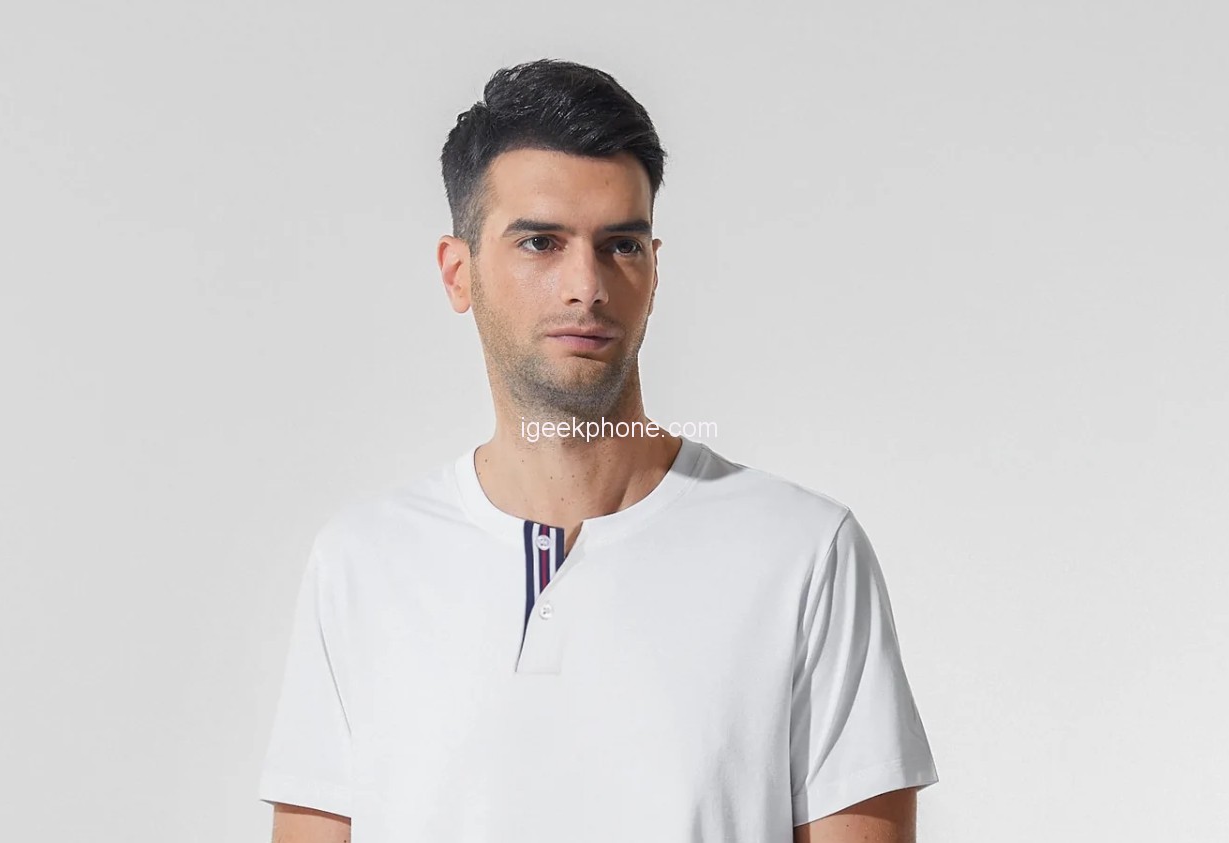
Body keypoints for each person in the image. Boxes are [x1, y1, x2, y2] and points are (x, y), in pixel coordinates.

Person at [257, 58, 939, 843]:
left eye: (620, 244)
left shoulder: (804, 553)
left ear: (654, 269)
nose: (586, 284)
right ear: (457, 272)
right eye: (539, 242)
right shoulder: (363, 561)